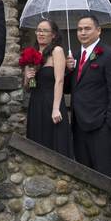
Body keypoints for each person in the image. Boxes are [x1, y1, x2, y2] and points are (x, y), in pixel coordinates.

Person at [65, 14, 111, 180]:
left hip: (101, 126)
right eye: (79, 29)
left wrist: (110, 125)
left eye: (87, 28)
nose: (82, 32)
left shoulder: (110, 55)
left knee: (105, 176)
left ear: (98, 31)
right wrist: (68, 70)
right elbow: (67, 89)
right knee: (84, 177)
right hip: (79, 126)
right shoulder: (74, 57)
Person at [24, 19, 72, 157]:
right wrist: (29, 77)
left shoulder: (57, 51)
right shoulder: (31, 53)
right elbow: (29, 87)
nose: (40, 33)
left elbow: (59, 80)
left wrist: (56, 108)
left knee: (55, 142)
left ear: (54, 35)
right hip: (36, 103)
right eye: (38, 30)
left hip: (52, 101)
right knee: (37, 142)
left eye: (45, 30)